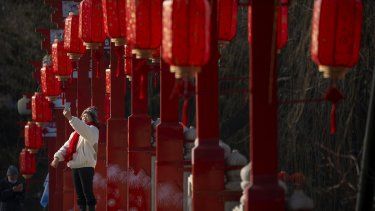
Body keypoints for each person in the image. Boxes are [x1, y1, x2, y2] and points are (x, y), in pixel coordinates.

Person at [50, 106, 99, 211]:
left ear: (93, 118)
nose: (84, 117)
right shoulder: (75, 134)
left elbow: (82, 128)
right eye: (83, 115)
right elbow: (66, 147)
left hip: (86, 165)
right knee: (79, 194)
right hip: (75, 165)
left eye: (88, 115)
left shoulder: (93, 130)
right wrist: (57, 157)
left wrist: (70, 118)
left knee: (87, 192)